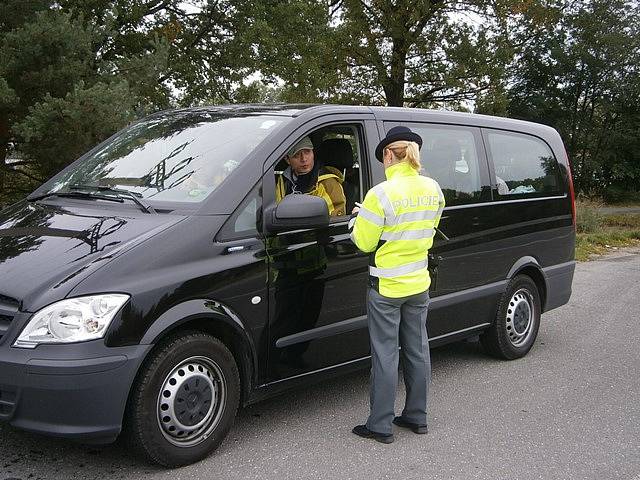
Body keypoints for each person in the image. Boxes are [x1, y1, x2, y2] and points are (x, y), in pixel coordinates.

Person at [349, 126, 445, 444]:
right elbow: (423, 228)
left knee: (385, 355)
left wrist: (357, 219)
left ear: (389, 154)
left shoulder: (379, 195)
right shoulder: (433, 189)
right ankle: (417, 417)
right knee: (418, 351)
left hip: (386, 289)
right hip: (419, 285)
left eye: (383, 158)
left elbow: (364, 242)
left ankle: (380, 425)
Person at [275, 136, 346, 216]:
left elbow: (335, 220)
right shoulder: (283, 182)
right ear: (287, 159)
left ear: (313, 153)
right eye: (297, 155)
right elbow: (276, 211)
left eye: (307, 152)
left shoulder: (328, 182)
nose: (304, 159)